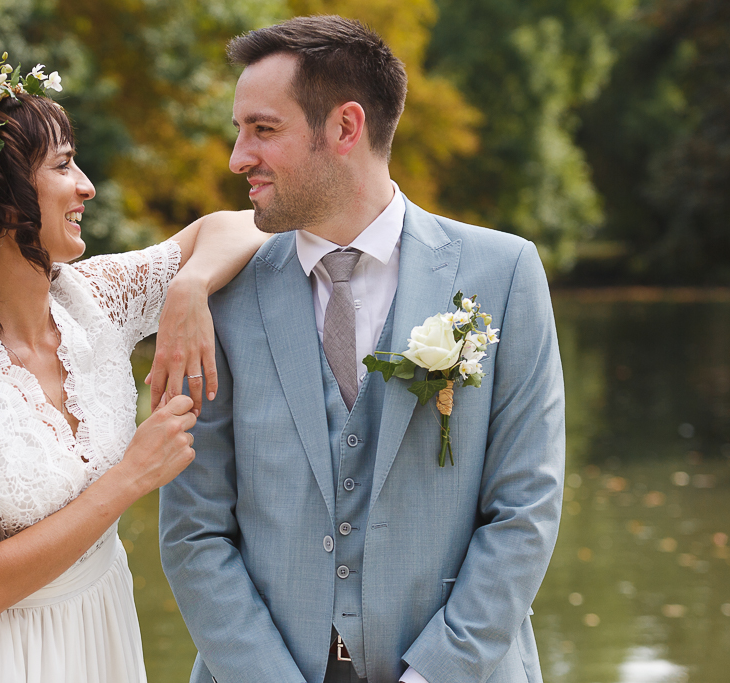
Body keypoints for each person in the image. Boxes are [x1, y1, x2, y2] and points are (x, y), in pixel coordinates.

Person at [159, 15, 565, 683]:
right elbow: (193, 531)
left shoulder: (506, 274)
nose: (236, 157)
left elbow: (525, 510)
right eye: (239, 131)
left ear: (346, 128)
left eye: (262, 129)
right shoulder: (219, 295)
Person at [0, 56, 264, 683]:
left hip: (102, 634)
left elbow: (244, 225)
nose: (86, 186)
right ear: (1, 199)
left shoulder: (95, 299)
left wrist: (189, 288)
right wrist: (133, 474)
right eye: (62, 166)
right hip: (2, 661)